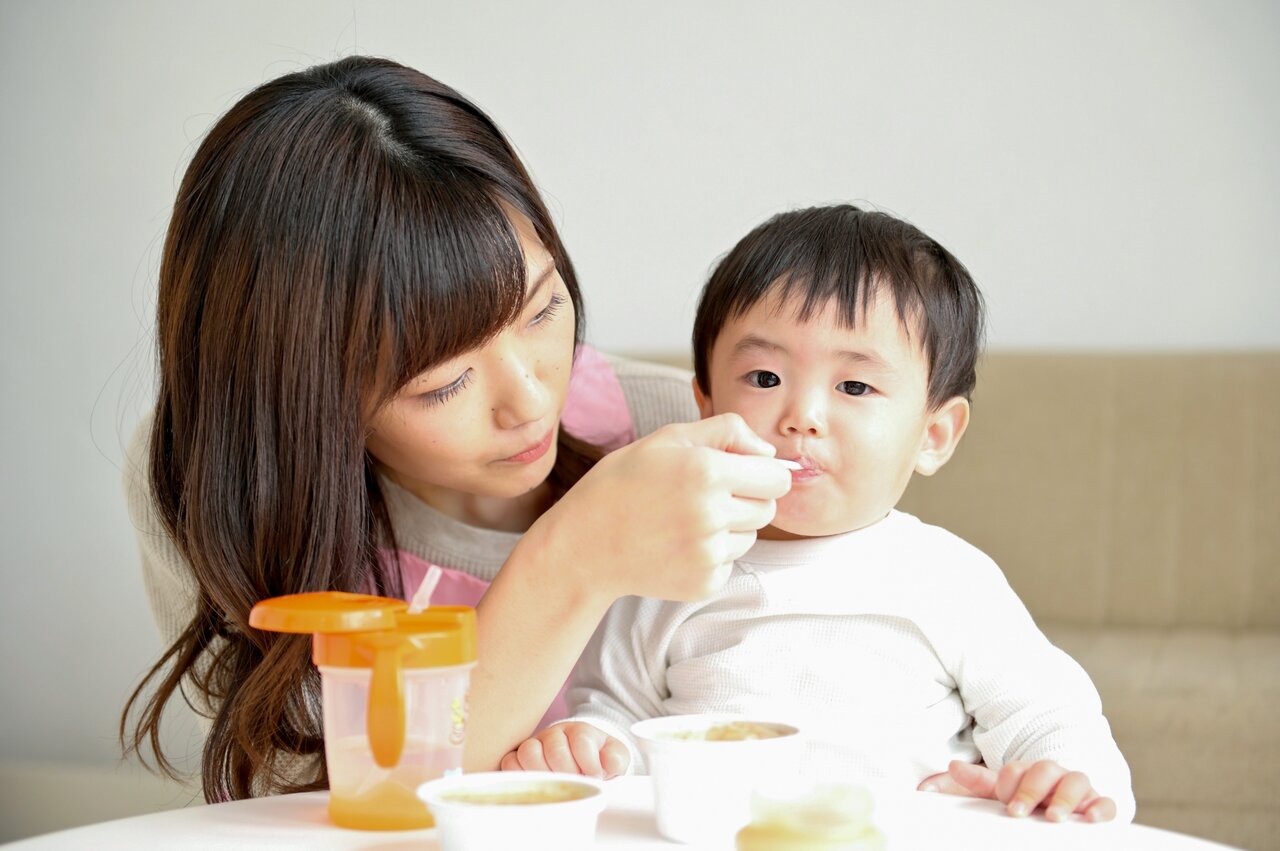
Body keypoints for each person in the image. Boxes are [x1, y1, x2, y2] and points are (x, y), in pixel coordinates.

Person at [120, 55, 794, 802]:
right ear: (300, 398)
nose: (531, 398)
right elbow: (325, 803)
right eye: (443, 382)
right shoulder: (218, 487)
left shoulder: (688, 430)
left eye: (542, 310)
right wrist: (573, 559)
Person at [501, 205, 1137, 823]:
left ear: (934, 435)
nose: (800, 414)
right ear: (705, 402)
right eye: (764, 378)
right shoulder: (663, 572)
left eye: (854, 387)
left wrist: (1058, 780)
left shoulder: (948, 579)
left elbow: (1048, 720)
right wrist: (584, 746)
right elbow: (615, 718)